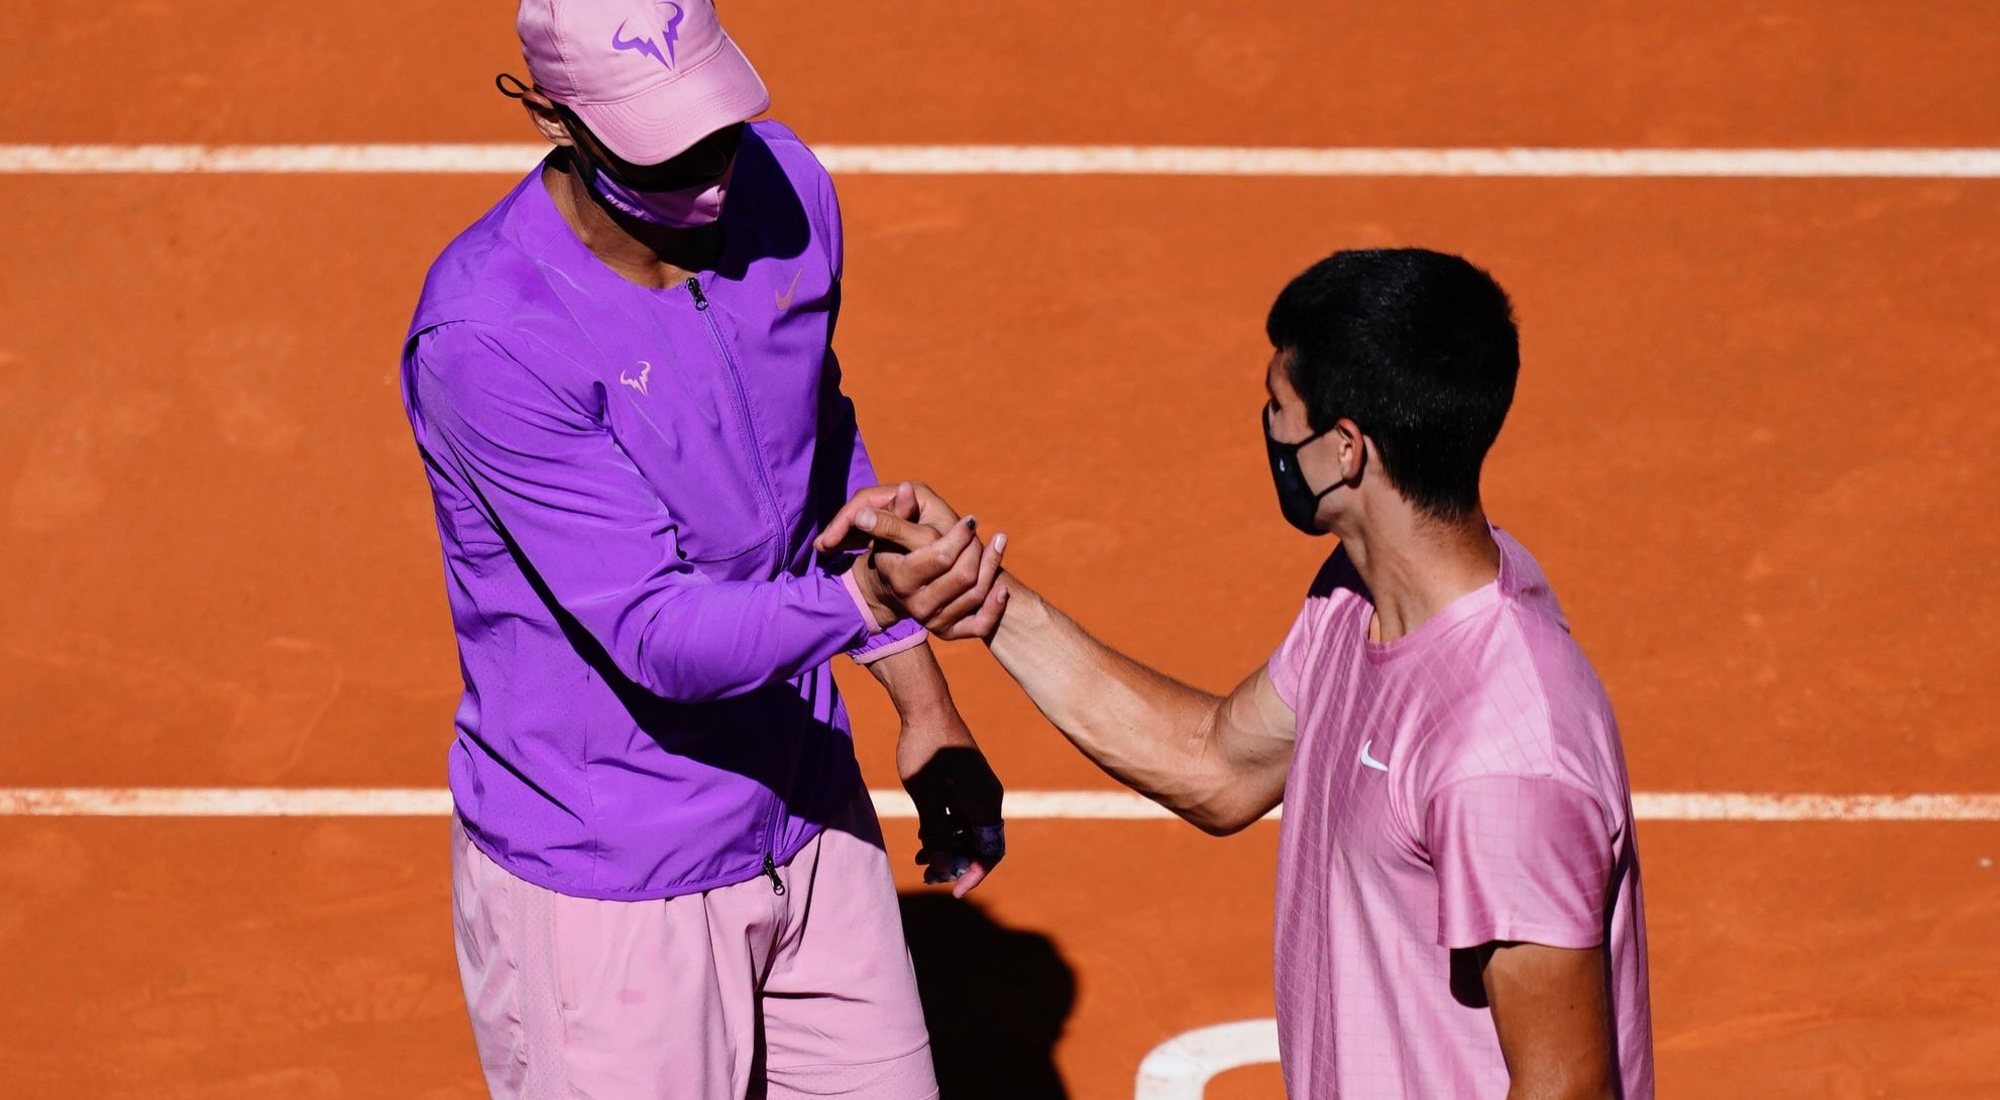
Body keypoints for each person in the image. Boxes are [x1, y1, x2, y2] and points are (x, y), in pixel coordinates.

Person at [828, 249, 1655, 1098]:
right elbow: (1216, 767)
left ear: (1345, 450)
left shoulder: (1504, 753)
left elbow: (1566, 1089)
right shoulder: (1360, 600)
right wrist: (982, 594)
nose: (1266, 426)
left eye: (1277, 406)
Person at [397, 2, 1003, 1096]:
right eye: (667, 147)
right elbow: (657, 634)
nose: (714, 176)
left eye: (719, 126)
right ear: (551, 117)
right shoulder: (490, 338)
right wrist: (867, 600)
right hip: (609, 888)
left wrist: (924, 706)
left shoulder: (788, 189)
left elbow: (822, 456)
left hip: (804, 812)